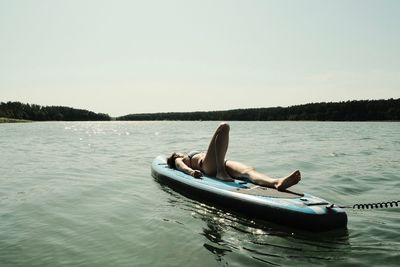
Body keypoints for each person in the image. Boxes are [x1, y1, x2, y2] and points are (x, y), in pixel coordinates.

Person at [166, 123, 301, 191]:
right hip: (207, 166)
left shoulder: (184, 155)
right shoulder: (179, 159)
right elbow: (181, 167)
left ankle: (276, 182)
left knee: (248, 171)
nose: (179, 153)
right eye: (176, 153)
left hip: (221, 163)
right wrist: (191, 172)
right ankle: (220, 172)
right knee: (223, 127)